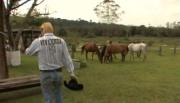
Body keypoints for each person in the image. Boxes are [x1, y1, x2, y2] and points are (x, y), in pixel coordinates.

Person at [25, 22, 76, 103]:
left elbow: (28, 52)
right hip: (58, 73)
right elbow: (67, 57)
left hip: (45, 74)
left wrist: (33, 45)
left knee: (47, 96)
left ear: (43, 30)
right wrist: (71, 72)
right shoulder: (61, 41)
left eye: (41, 30)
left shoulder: (38, 41)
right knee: (58, 94)